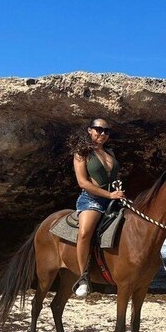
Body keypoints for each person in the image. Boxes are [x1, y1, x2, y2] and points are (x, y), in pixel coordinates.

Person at [69, 118, 125, 297]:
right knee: (85, 233)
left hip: (114, 200)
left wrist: (117, 190)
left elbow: (113, 177)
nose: (103, 134)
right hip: (92, 200)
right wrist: (108, 195)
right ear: (89, 130)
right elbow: (82, 182)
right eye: (99, 129)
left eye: (106, 131)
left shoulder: (111, 153)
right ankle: (84, 276)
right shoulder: (82, 153)